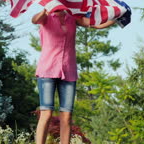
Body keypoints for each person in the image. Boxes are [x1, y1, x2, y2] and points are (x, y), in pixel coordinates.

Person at [31, 8, 116, 144]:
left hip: (68, 71)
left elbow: (96, 24)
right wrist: (45, 11)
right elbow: (34, 20)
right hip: (47, 70)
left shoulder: (72, 18)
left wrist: (117, 17)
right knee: (46, 113)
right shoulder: (46, 18)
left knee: (67, 115)